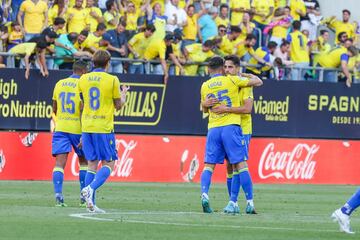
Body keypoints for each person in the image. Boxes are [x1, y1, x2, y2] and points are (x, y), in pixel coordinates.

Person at [199, 56, 263, 213]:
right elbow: (204, 108)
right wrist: (204, 105)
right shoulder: (232, 81)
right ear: (221, 69)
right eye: (225, 67)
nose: (227, 70)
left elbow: (247, 108)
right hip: (229, 127)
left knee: (230, 165)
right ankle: (234, 202)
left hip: (238, 128)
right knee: (234, 165)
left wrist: (217, 107)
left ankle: (242, 202)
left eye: (230, 67)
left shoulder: (207, 85)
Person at [80, 50, 129, 213]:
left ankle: (90, 204)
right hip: (103, 127)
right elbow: (118, 105)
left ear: (93, 63)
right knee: (109, 163)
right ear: (108, 63)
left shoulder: (83, 79)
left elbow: (83, 104)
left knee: (92, 164)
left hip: (87, 126)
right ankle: (90, 189)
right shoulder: (112, 79)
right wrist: (124, 94)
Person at [51, 60, 89, 207]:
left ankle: (58, 197)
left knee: (59, 164)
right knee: (84, 162)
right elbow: (83, 108)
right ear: (84, 71)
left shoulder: (59, 83)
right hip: (78, 129)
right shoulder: (83, 85)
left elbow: (54, 108)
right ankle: (83, 198)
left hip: (61, 128)